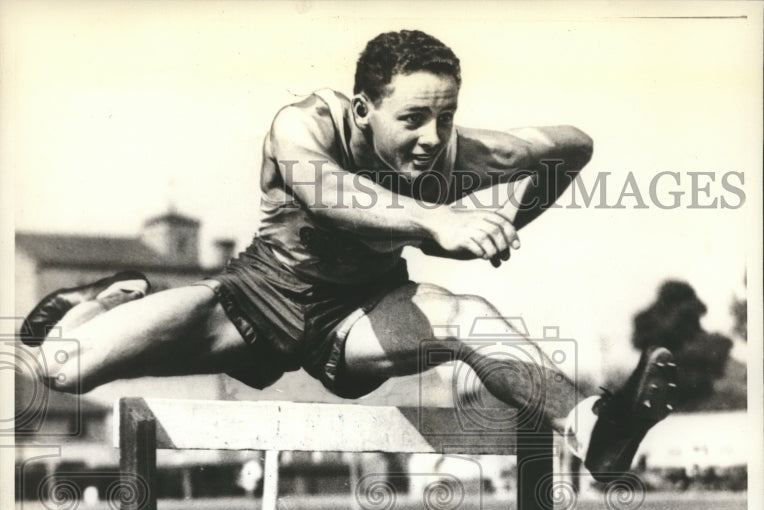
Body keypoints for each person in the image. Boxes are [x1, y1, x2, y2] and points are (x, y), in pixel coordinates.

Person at [22, 29, 676, 481]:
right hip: (253, 305)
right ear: (364, 109)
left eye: (446, 117)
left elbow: (573, 145)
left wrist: (508, 219)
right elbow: (327, 194)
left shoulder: (458, 155)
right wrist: (435, 222)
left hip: (361, 315)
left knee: (468, 315)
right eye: (414, 118)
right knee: (62, 369)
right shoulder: (304, 125)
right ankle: (95, 303)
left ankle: (599, 429)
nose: (432, 139)